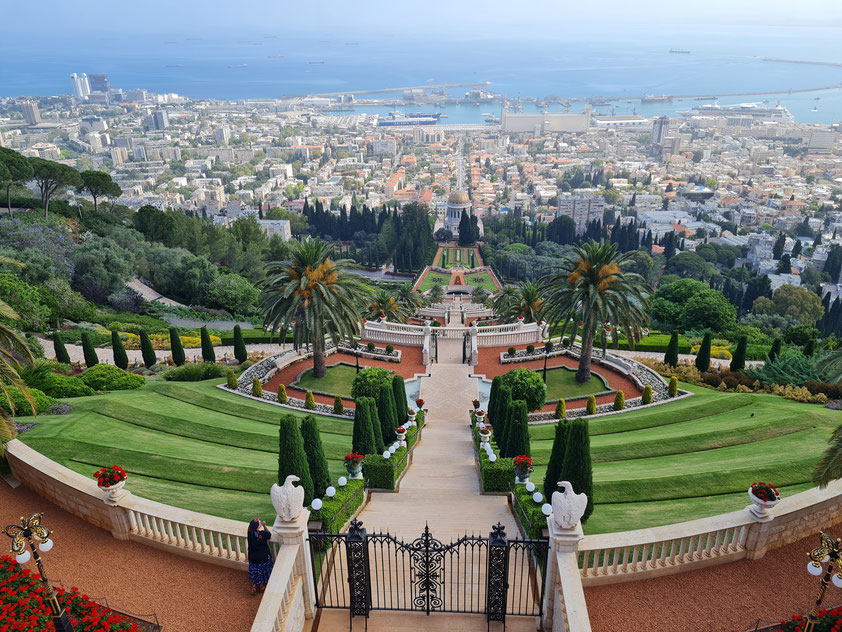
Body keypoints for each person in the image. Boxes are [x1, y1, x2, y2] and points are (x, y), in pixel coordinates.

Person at [247, 518, 274, 594]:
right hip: (262, 557)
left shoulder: (250, 533)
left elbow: (251, 528)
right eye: (259, 522)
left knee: (255, 571)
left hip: (252, 557)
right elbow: (269, 535)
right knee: (262, 570)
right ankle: (261, 586)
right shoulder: (262, 534)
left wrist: (258, 526)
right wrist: (264, 526)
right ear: (258, 526)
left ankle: (254, 586)